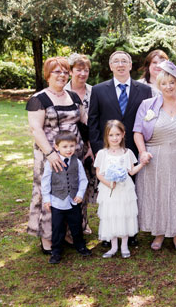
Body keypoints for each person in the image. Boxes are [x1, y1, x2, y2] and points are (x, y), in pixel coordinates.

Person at [133, 61, 176, 251]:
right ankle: (159, 232)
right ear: (159, 85)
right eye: (164, 83)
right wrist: (142, 151)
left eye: (172, 82)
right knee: (158, 194)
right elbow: (138, 131)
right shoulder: (147, 105)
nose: (168, 87)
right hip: (155, 157)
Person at [88, 50, 152, 247]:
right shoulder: (99, 90)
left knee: (129, 193)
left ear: (131, 66)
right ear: (111, 66)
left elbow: (147, 121)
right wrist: (99, 149)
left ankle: (129, 232)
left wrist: (143, 148)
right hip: (108, 151)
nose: (121, 64)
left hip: (132, 150)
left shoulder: (144, 90)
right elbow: (93, 121)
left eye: (124, 61)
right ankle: (110, 234)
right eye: (116, 61)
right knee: (110, 193)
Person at [26, 57, 88, 254]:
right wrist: (51, 154)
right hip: (49, 154)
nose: (62, 75)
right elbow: (36, 129)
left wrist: (90, 148)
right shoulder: (38, 99)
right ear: (47, 75)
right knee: (50, 192)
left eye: (64, 72)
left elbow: (83, 124)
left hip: (74, 153)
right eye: (56, 72)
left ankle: (70, 232)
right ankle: (48, 237)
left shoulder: (73, 97)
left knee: (73, 190)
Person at [95, 120, 145, 259]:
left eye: (117, 134)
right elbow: (99, 173)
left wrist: (142, 164)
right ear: (106, 136)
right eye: (111, 135)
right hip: (109, 189)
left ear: (123, 134)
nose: (115, 138)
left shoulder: (127, 152)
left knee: (124, 214)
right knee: (111, 215)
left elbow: (132, 171)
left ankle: (124, 246)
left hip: (124, 189)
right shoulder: (102, 153)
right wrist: (109, 183)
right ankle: (113, 246)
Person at [41, 131, 92, 264]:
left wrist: (80, 194)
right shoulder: (51, 163)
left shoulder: (77, 162)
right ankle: (56, 251)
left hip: (73, 201)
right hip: (57, 202)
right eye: (65, 146)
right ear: (56, 147)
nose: (69, 149)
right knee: (57, 228)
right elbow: (45, 182)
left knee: (76, 225)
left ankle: (80, 245)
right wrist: (46, 199)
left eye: (71, 146)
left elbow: (83, 180)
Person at [64, 53, 95, 234]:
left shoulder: (94, 91)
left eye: (86, 70)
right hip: (67, 144)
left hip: (88, 145)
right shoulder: (63, 91)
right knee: (68, 183)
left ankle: (83, 221)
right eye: (78, 70)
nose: (82, 73)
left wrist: (92, 146)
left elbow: (95, 121)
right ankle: (66, 225)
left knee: (85, 185)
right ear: (71, 71)